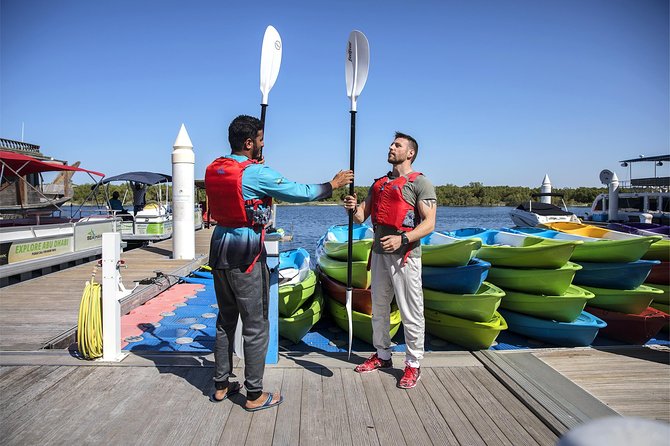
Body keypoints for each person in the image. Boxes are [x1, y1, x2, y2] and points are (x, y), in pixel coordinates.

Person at [205, 115, 353, 410]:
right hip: (245, 253)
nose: (263, 145)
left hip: (219, 249)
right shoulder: (257, 174)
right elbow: (299, 192)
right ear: (249, 143)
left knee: (225, 321)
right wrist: (332, 184)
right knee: (256, 324)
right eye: (260, 140)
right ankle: (254, 393)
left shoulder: (216, 168)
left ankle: (221, 384)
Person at [343, 131, 436, 389]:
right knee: (380, 308)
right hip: (379, 254)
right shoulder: (379, 184)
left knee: (411, 311)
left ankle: (413, 364)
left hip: (405, 256)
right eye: (391, 144)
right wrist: (352, 208)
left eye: (397, 145)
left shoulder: (420, 183)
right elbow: (362, 216)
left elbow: (429, 223)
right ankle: (383, 355)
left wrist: (403, 240)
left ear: (410, 153)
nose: (391, 147)